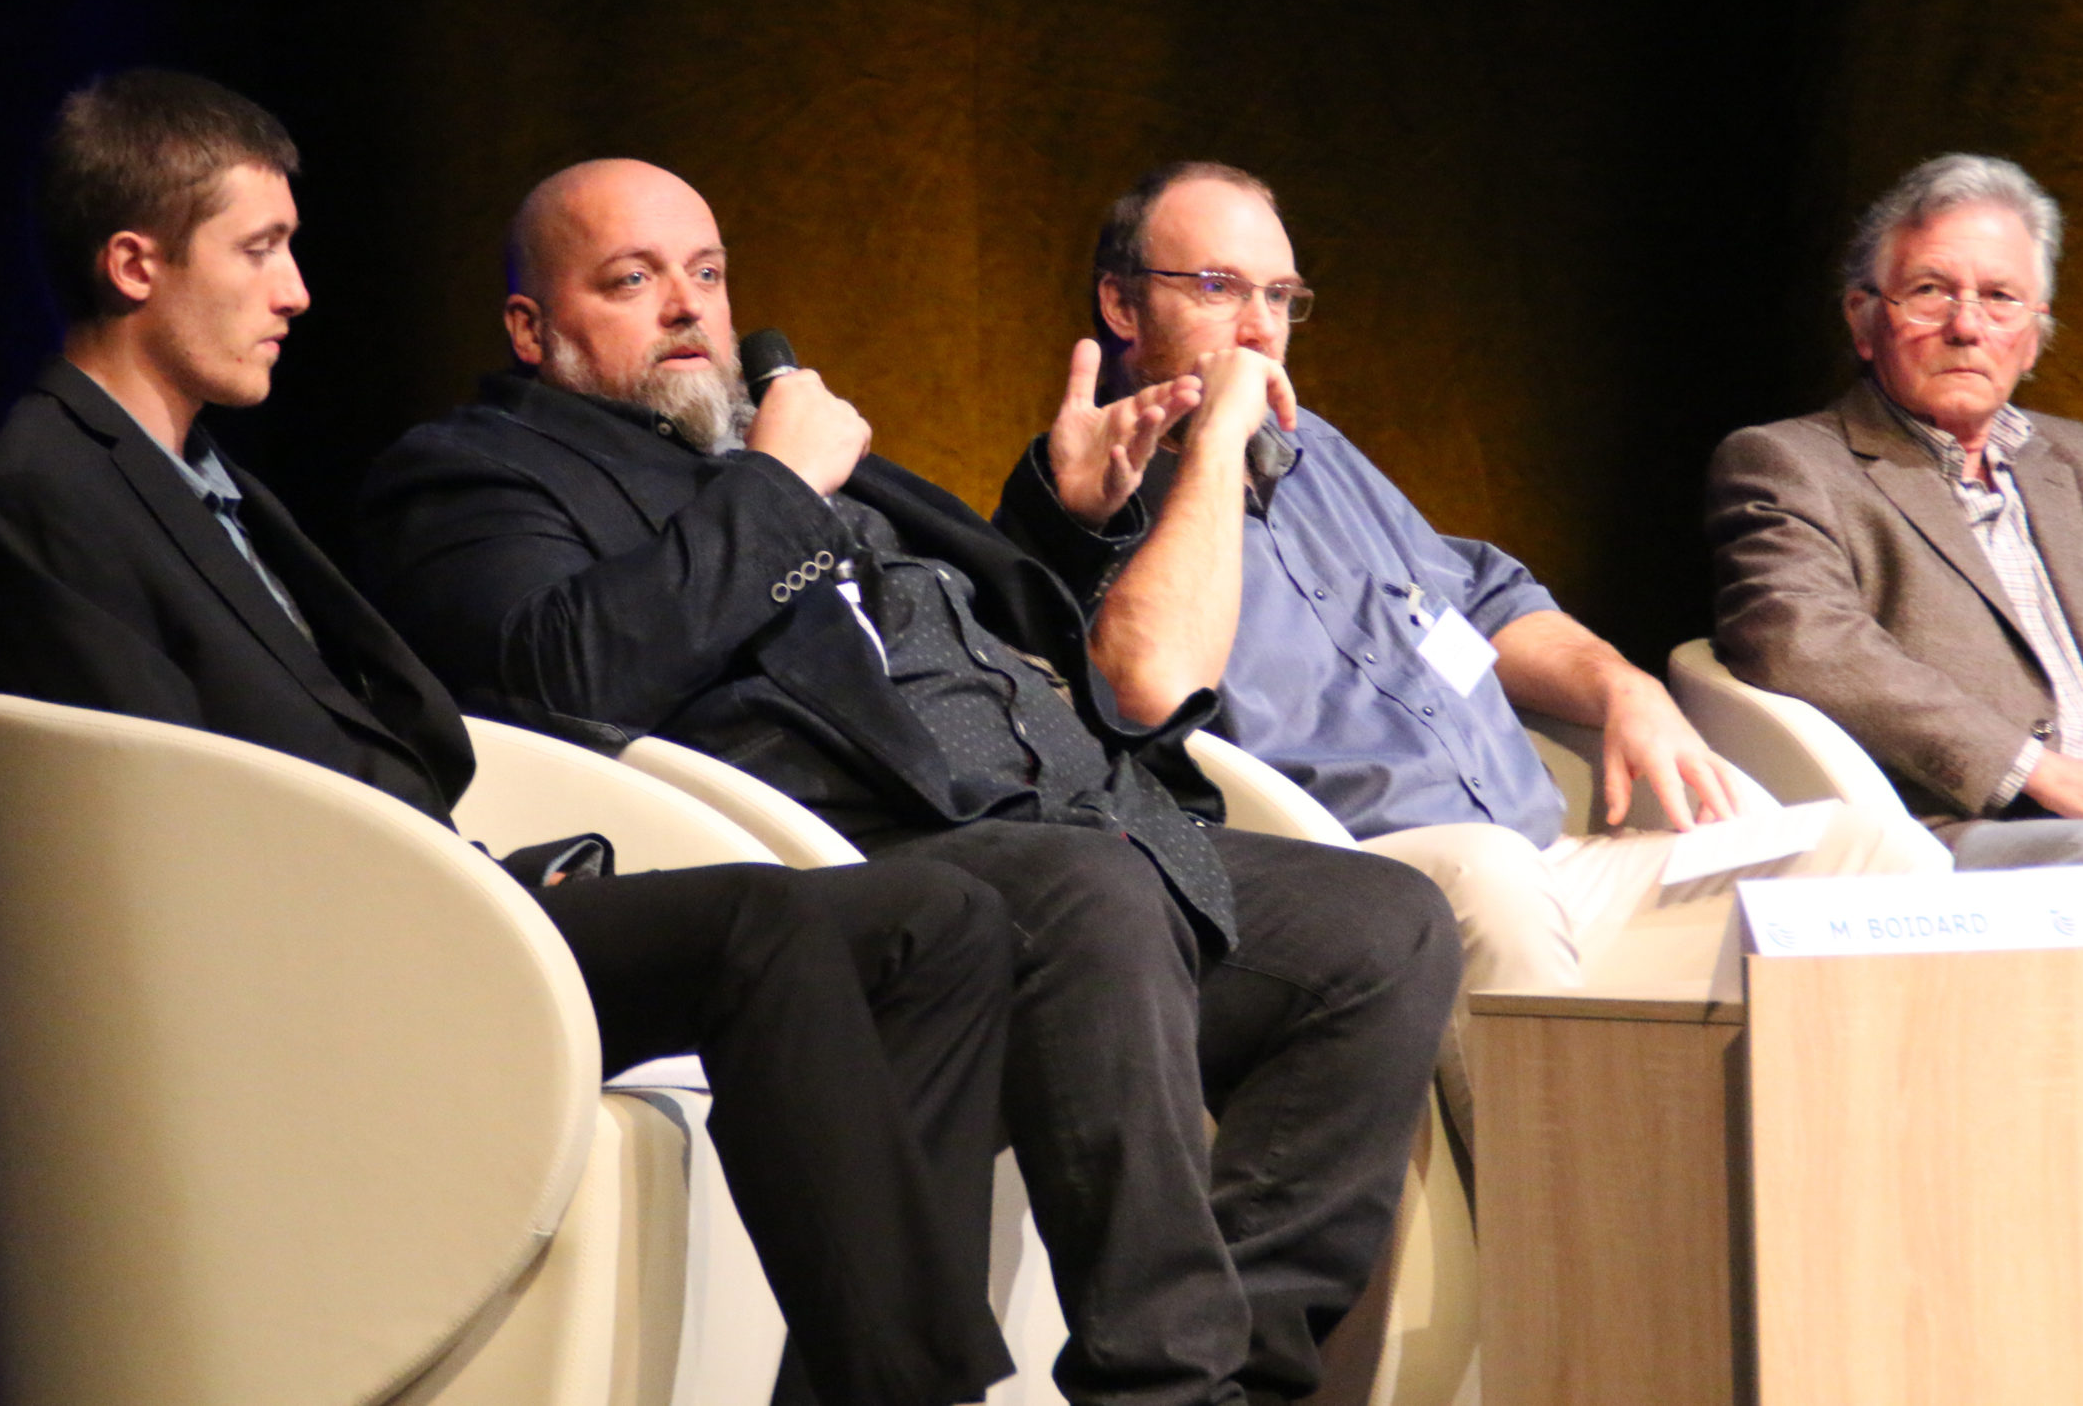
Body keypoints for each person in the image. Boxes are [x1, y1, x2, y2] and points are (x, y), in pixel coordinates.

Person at [0, 71, 1017, 1406]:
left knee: (945, 921)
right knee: (765, 929)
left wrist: (494, 866)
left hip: (435, 891)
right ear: (135, 261)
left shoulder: (216, 484)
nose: (297, 293)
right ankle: (910, 1387)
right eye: (260, 249)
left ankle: (868, 1373)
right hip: (320, 945)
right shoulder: (40, 491)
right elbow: (163, 814)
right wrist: (443, 884)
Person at [353, 157, 1461, 1406]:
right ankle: (1162, 1382)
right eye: (633, 279)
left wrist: (1067, 513)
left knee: (1386, 928)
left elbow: (957, 628)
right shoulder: (481, 469)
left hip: (1064, 819)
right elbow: (558, 668)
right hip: (866, 861)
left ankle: (1247, 1375)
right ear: (531, 327)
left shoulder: (768, 440)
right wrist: (772, 492)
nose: (687, 307)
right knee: (1093, 893)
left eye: (706, 274)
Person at [993, 161, 1945, 1025]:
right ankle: (1562, 1211)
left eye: (1279, 296)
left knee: (1873, 857)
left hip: (1553, 863)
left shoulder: (1316, 452)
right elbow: (1148, 687)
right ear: (1122, 306)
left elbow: (1481, 599)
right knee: (1490, 877)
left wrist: (1623, 686)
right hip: (1364, 881)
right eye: (1218, 288)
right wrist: (1217, 436)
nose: (1258, 328)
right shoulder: (1083, 500)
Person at [1707, 152, 2083, 865]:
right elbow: (1802, 642)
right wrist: (2049, 774)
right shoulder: (1788, 463)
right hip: (1964, 829)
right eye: (1931, 291)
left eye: (2000, 297)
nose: (1967, 326)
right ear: (1866, 319)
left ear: (2033, 334)